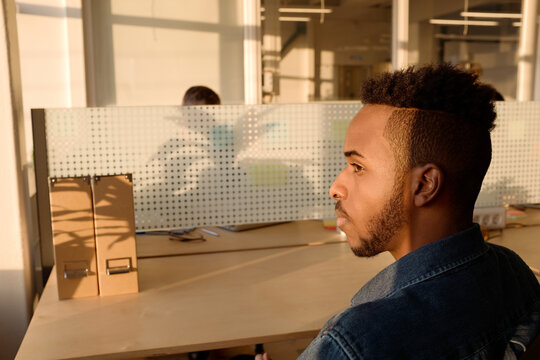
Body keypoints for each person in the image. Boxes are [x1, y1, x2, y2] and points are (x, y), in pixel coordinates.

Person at [297, 64, 540, 359]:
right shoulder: (514, 272)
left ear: (424, 184)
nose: (336, 187)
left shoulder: (354, 342)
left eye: (357, 167)